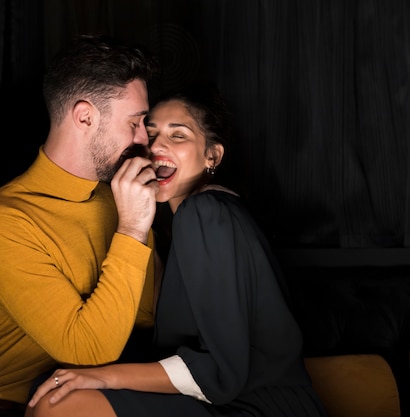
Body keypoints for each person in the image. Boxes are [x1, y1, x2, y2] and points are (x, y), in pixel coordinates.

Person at [25, 82, 329, 417]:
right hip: (224, 400)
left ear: (212, 155)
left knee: (61, 402)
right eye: (150, 133)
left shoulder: (205, 212)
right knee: (53, 388)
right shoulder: (191, 218)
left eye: (178, 135)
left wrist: (103, 377)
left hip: (256, 407)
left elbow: (220, 370)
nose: (156, 146)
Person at [0, 34, 161, 417]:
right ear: (84, 117)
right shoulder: (1, 221)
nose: (145, 138)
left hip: (99, 400)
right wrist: (131, 230)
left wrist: (139, 221)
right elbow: (87, 348)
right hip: (6, 406)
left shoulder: (119, 198)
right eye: (135, 122)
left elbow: (145, 316)